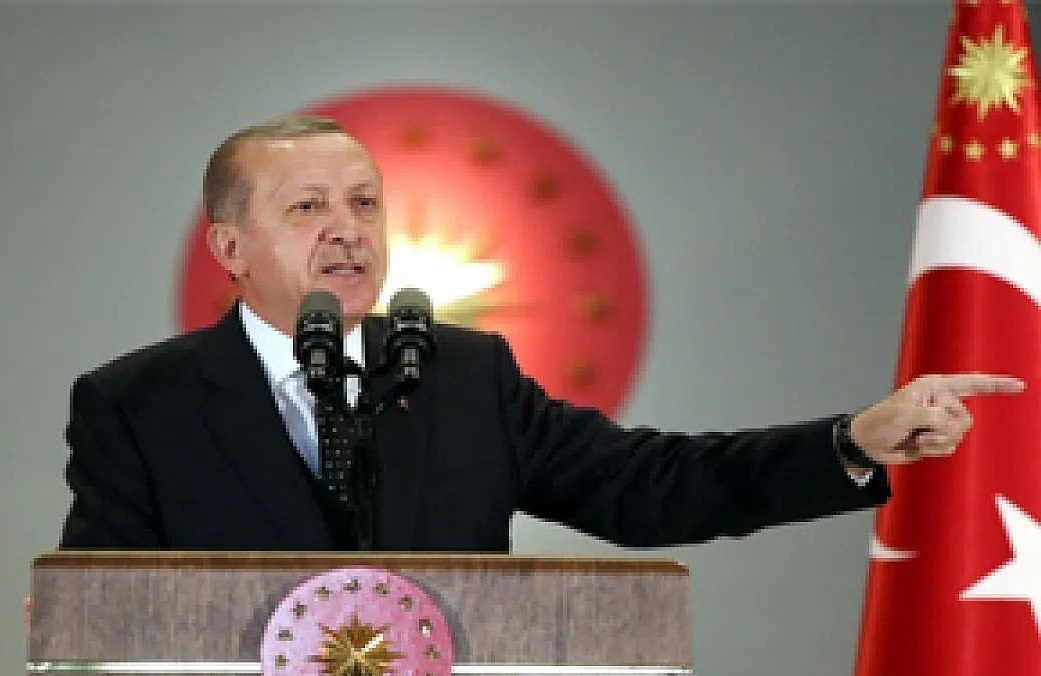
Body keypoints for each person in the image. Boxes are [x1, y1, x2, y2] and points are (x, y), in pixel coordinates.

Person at [56, 115, 1023, 552]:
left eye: (365, 202)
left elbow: (651, 486)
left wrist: (849, 441)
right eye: (309, 207)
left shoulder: (461, 375)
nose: (348, 230)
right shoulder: (135, 405)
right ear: (229, 245)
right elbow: (105, 616)